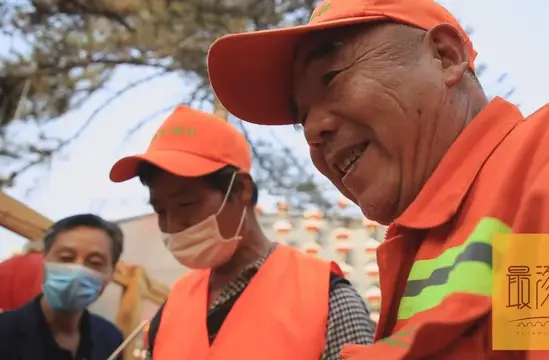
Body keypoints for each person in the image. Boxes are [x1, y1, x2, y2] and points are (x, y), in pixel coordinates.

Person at [205, 0, 549, 359]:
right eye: (300, 120)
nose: (314, 132)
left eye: (332, 78)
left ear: (446, 56)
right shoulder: (422, 244)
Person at [108, 105, 374, 360]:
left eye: (186, 204)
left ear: (242, 190)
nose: (172, 224)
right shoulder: (172, 307)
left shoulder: (327, 299)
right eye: (160, 210)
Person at [0, 214, 125, 360]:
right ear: (44, 259)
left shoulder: (111, 340)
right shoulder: (4, 332)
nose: (77, 271)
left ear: (111, 272)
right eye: (66, 258)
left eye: (95, 262)